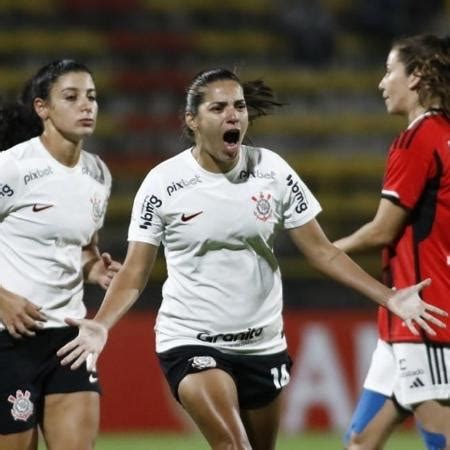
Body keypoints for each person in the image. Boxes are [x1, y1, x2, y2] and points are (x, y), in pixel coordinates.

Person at [58, 68, 446, 450]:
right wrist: (102, 324)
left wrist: (390, 297)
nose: (233, 115)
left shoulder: (272, 171)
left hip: (263, 345)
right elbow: (134, 273)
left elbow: (322, 251)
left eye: (239, 106)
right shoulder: (163, 184)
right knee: (232, 445)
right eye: (218, 108)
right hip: (191, 340)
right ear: (192, 120)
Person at [332, 34, 450, 450]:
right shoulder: (445, 135)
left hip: (425, 314)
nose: (382, 83)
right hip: (404, 315)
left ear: (416, 76)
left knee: (442, 440)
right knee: (359, 444)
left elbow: (382, 230)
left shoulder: (417, 140)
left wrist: (327, 253)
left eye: (389, 71)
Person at [0, 59, 121, 450]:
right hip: (11, 339)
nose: (86, 106)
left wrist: (95, 270)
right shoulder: (12, 169)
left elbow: (85, 246)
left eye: (92, 97)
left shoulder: (98, 175)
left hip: (70, 338)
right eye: (71, 97)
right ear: (43, 108)